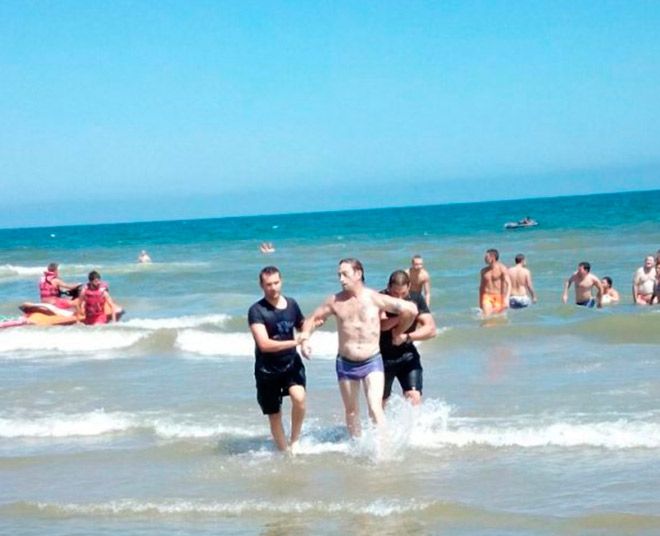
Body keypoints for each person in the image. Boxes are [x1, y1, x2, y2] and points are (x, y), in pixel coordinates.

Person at [300, 258, 418, 438]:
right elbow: (312, 319)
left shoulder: (374, 298)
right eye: (339, 275)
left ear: (358, 274)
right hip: (346, 363)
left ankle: (384, 447)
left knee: (375, 407)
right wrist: (305, 338)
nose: (341, 279)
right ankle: (356, 445)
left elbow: (411, 310)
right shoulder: (335, 301)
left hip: (372, 361)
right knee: (352, 411)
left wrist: (399, 330)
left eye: (344, 274)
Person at [248, 266, 307, 452]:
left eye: (276, 283)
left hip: (291, 364)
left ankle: (294, 440)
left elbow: (302, 326)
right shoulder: (256, 310)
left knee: (299, 398)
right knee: (274, 415)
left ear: (281, 281)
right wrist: (295, 342)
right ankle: (284, 451)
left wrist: (306, 339)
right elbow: (264, 344)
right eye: (268, 284)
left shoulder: (292, 304)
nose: (273, 288)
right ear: (261, 286)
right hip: (267, 370)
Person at [379, 270, 436, 407]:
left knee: (414, 396)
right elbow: (382, 325)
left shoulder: (416, 299)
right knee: (381, 402)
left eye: (403, 293)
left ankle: (414, 422)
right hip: (382, 357)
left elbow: (431, 329)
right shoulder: (381, 298)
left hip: (407, 355)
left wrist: (407, 337)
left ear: (409, 287)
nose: (399, 298)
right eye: (395, 293)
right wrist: (405, 316)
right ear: (388, 287)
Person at [479, 249, 511, 316]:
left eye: (486, 257)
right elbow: (481, 287)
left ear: (493, 257)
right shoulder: (483, 271)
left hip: (498, 296)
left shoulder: (502, 268)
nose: (484, 259)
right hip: (487, 296)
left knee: (497, 318)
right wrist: (480, 301)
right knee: (486, 316)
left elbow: (508, 284)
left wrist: (507, 298)